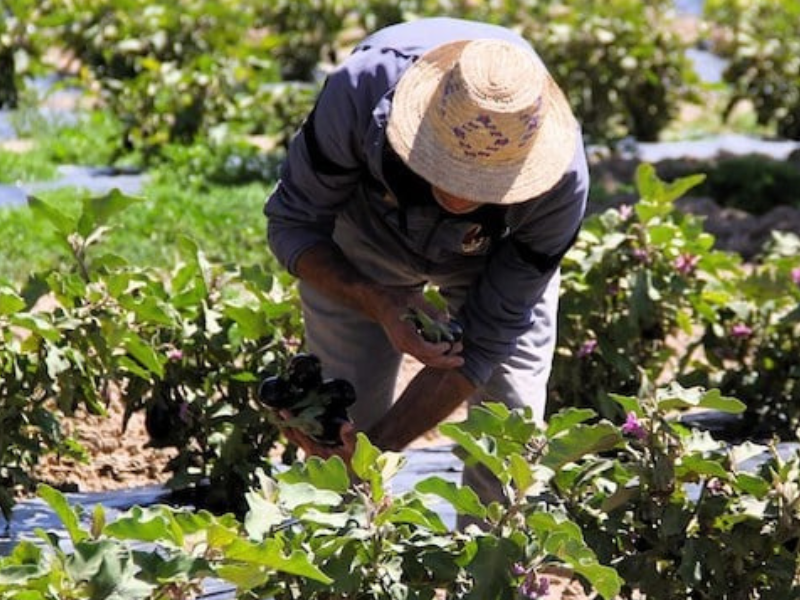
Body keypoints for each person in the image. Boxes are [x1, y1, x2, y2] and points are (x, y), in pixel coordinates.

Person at [264, 17, 589, 510]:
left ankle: (496, 576)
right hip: (365, 234)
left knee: (512, 427)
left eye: (484, 185)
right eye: (447, 169)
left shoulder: (559, 184)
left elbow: (485, 343)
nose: (460, 196)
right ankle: (344, 568)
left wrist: (380, 449)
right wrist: (375, 300)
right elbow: (293, 223)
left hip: (491, 255)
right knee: (341, 421)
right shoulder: (361, 91)